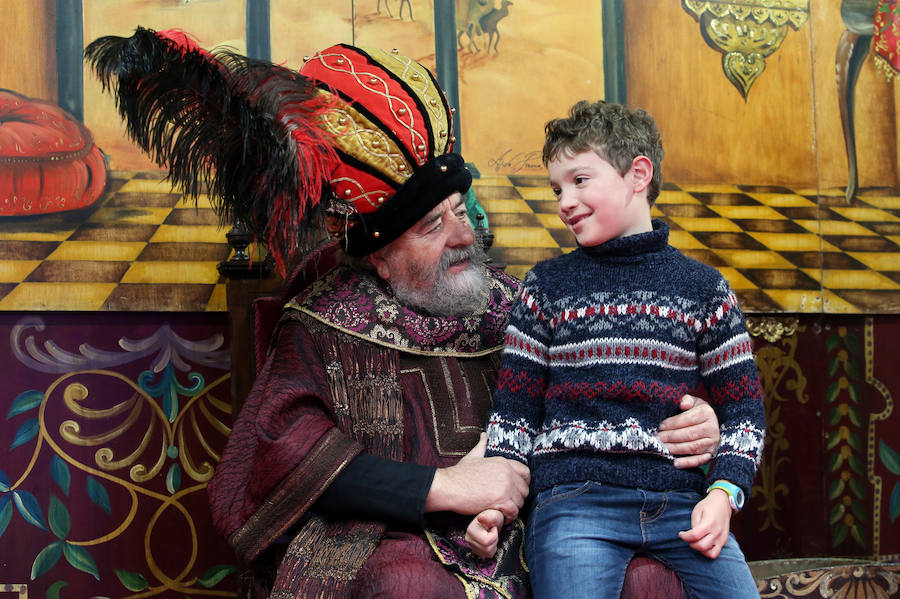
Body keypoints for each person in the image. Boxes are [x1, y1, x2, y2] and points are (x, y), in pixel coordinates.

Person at [85, 33, 723, 598]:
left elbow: (612, 383)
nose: (464, 236)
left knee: (644, 575)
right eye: (431, 225)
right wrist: (444, 489)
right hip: (384, 538)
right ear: (382, 258)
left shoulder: (525, 304)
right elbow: (281, 456)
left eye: (459, 210)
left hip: (545, 519)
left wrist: (699, 421)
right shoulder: (325, 324)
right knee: (407, 581)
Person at [465, 100, 766, 599]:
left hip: (680, 503)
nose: (564, 201)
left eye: (580, 180)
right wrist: (495, 506)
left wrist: (722, 494)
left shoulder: (703, 289)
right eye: (557, 188)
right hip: (576, 502)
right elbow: (514, 415)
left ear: (638, 174)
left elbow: (745, 412)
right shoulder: (547, 286)